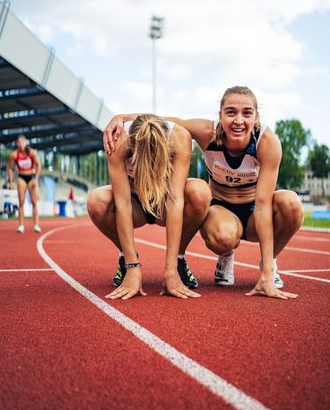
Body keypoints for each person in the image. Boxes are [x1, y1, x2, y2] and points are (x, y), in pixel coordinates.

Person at [103, 86, 304, 300]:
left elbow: (263, 206)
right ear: (220, 115)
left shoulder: (267, 143)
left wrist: (266, 273)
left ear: (256, 117)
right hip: (221, 208)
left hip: (254, 208)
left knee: (291, 203)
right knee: (224, 236)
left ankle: (270, 263)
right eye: (231, 112)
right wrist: (121, 117)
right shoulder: (206, 133)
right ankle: (226, 255)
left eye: (246, 113)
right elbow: (162, 121)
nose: (238, 120)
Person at [87, 114, 210, 300]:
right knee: (97, 200)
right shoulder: (118, 140)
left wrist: (170, 270)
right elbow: (123, 203)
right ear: (132, 148)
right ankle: (126, 255)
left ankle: (179, 259)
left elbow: (175, 201)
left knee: (200, 191)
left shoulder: (180, 137)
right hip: (135, 202)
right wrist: (132, 267)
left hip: (163, 203)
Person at [8, 135, 41, 233]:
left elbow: (39, 165)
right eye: (19, 142)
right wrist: (11, 181)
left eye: (23, 142)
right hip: (21, 177)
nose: (21, 144)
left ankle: (36, 225)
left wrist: (36, 178)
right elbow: (10, 168)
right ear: (17, 144)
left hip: (31, 177)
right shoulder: (14, 155)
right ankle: (21, 225)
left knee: (34, 202)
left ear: (26, 142)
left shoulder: (31, 152)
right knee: (21, 201)